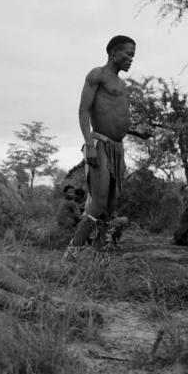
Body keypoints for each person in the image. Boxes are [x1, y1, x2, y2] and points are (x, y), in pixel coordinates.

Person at [64, 35, 151, 260]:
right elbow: (83, 111)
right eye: (128, 54)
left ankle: (99, 255)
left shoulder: (121, 84)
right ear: (114, 53)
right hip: (100, 143)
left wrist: (136, 132)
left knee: (110, 207)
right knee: (99, 202)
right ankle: (72, 253)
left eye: (133, 55)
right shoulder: (97, 75)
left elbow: (114, 117)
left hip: (117, 147)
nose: (131, 59)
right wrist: (90, 145)